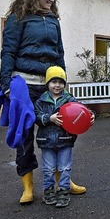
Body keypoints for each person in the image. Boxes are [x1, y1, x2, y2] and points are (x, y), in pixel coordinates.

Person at [0, 0, 86, 205]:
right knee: (25, 136)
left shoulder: (54, 21)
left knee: (57, 133)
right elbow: (8, 51)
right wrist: (6, 84)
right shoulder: (18, 18)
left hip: (49, 85)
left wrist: (63, 81)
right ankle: (28, 186)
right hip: (24, 85)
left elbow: (60, 53)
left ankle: (63, 181)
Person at [34, 66, 94, 208]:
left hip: (65, 140)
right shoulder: (41, 101)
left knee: (65, 168)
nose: (57, 85)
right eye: (53, 81)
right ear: (48, 83)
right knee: (48, 168)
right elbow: (36, 117)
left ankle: (63, 192)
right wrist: (49, 118)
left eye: (60, 82)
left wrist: (90, 115)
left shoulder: (69, 99)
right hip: (46, 141)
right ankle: (48, 192)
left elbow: (82, 110)